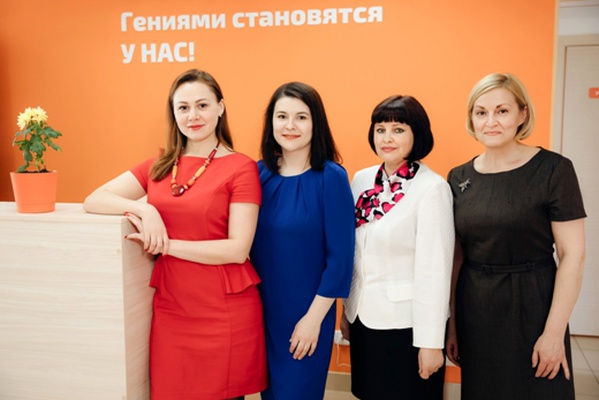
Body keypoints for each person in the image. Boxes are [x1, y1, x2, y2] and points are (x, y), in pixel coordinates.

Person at [83, 69, 267, 400]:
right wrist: (145, 210)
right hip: (172, 307)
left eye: (202, 105)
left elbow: (237, 249)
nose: (193, 116)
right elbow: (94, 199)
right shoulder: (159, 165)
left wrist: (165, 245)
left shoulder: (241, 167)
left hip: (222, 311)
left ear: (220, 107)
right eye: (183, 107)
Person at [445, 73, 586, 400]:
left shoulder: (554, 170)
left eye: (502, 111)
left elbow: (573, 255)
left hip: (534, 306)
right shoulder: (458, 177)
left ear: (522, 114)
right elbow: (456, 257)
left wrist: (553, 334)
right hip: (476, 308)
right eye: (481, 112)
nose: (490, 121)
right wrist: (452, 324)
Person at [340, 95, 454, 400]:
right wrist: (347, 310)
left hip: (407, 326)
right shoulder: (362, 180)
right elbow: (356, 254)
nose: (387, 138)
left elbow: (435, 272)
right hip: (363, 318)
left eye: (398, 130)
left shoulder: (432, 188)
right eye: (380, 129)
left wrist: (431, 343)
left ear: (418, 134)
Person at [249, 82, 355, 400]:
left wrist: (313, 320)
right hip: (260, 313)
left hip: (307, 314)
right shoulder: (257, 174)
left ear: (315, 123)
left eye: (301, 117)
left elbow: (340, 260)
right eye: (282, 116)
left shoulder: (331, 177)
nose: (290, 126)